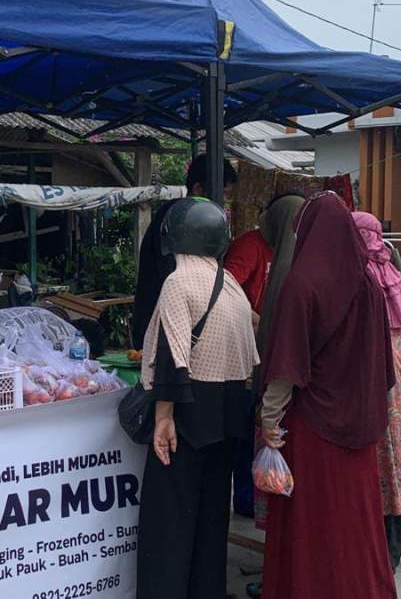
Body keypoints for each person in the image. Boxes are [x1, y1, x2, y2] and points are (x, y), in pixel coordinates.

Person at [260, 192, 397, 599]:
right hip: (360, 424)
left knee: (313, 524)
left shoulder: (302, 284)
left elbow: (287, 366)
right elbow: (381, 361)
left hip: (313, 428)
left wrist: (268, 421)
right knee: (356, 521)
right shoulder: (368, 284)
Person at [137, 198, 259, 599]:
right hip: (228, 413)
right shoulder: (232, 286)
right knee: (211, 520)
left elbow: (173, 355)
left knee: (168, 523)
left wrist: (163, 418)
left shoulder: (178, 282)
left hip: (187, 412)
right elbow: (250, 351)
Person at [353, 212, 401, 570]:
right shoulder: (390, 270)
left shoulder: (362, 274)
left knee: (385, 459)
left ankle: (386, 550)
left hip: (379, 376)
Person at [225, 193, 303, 519]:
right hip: (249, 350)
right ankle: (246, 497)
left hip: (279, 350)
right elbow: (226, 286)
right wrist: (259, 320)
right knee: (248, 425)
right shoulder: (250, 245)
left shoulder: (301, 248)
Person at [132, 154, 238, 350]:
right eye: (223, 194)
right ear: (198, 189)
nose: (224, 202)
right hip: (164, 327)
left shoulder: (185, 217)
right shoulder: (179, 220)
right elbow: (177, 277)